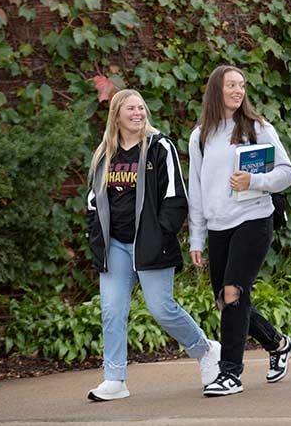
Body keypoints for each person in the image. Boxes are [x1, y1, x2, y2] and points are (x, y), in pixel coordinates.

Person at [86, 89, 221, 401]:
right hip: (115, 245)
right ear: (116, 115)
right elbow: (93, 203)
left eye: (141, 108)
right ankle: (115, 378)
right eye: (130, 109)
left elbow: (175, 199)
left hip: (150, 244)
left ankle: (205, 349)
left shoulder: (160, 147)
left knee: (162, 309)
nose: (138, 113)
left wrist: (159, 236)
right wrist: (96, 239)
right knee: (111, 310)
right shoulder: (105, 154)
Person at [188, 65, 291, 397]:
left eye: (242, 85)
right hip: (219, 226)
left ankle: (230, 374)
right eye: (231, 85)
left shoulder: (257, 128)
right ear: (215, 91)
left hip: (254, 219)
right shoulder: (200, 136)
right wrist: (197, 237)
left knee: (234, 291)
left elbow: (287, 172)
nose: (238, 90)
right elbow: (196, 189)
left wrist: (255, 181)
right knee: (226, 300)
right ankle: (278, 343)